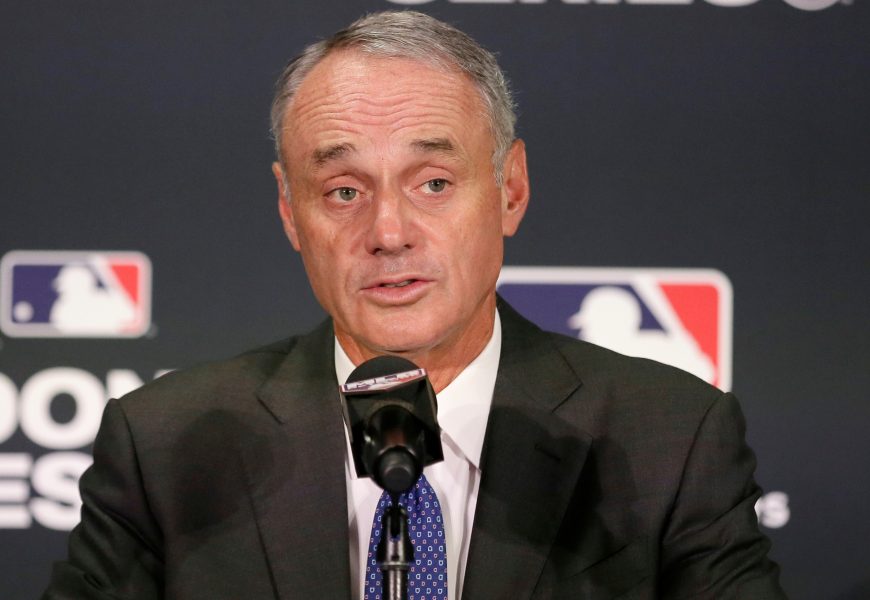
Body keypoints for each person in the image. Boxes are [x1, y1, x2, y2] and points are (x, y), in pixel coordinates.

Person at [43, 10, 786, 600]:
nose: (388, 232)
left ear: (510, 190)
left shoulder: (668, 442)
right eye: (343, 191)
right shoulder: (167, 447)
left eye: (433, 183)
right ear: (290, 212)